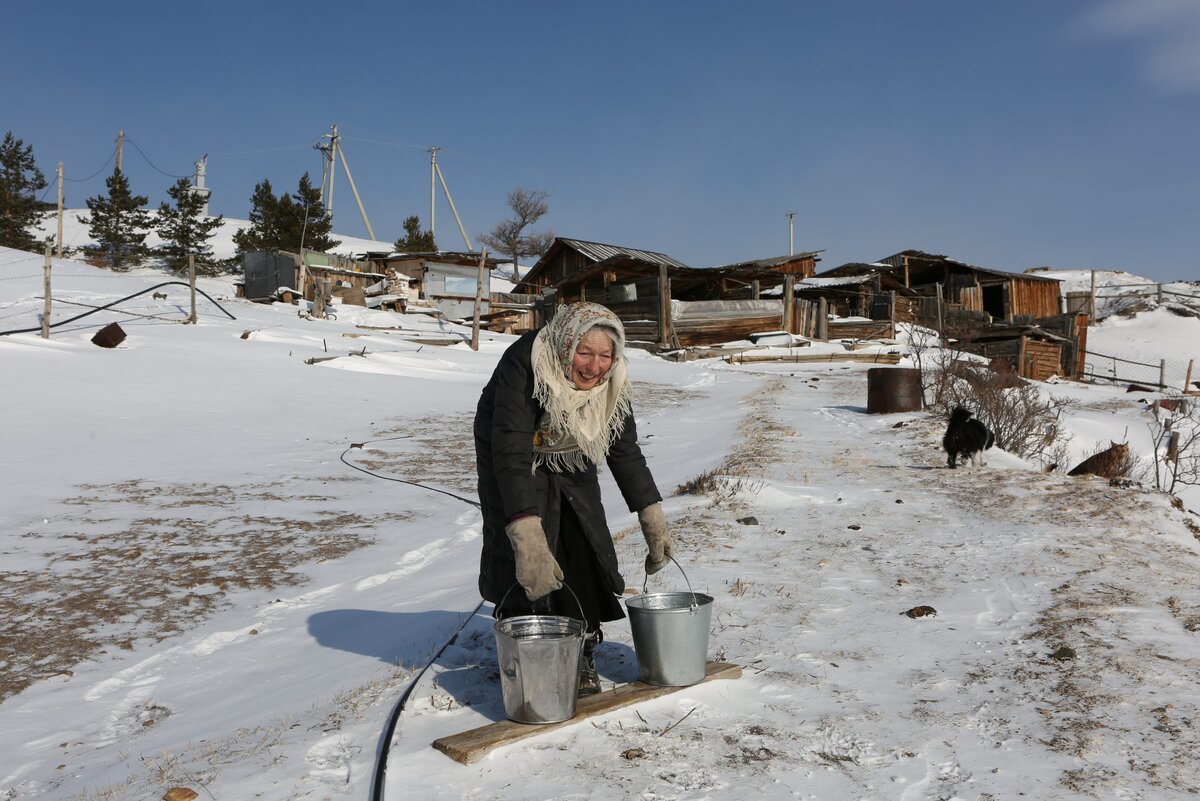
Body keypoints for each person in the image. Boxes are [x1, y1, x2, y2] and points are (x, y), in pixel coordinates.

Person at [474, 302, 673, 695]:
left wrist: (652, 516)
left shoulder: (611, 383)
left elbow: (624, 450)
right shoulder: (524, 364)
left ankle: (582, 643)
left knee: (582, 530)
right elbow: (512, 456)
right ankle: (529, 638)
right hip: (510, 446)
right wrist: (526, 531)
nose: (594, 366)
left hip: (575, 439)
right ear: (566, 346)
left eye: (605, 355)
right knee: (526, 540)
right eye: (584, 352)